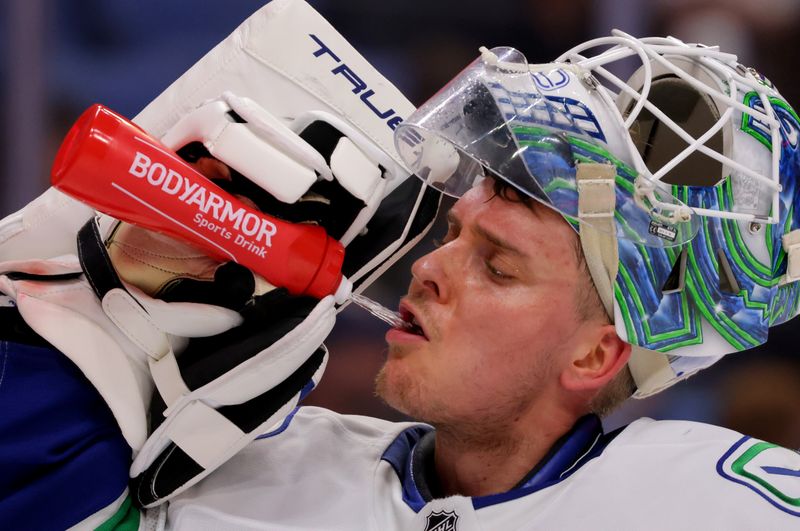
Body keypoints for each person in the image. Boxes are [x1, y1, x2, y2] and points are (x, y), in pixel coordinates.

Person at [2, 3, 800, 530]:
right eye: (455, 232)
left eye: (498, 265)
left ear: (597, 354)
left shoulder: (711, 504)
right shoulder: (242, 474)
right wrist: (116, 309)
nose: (430, 269)